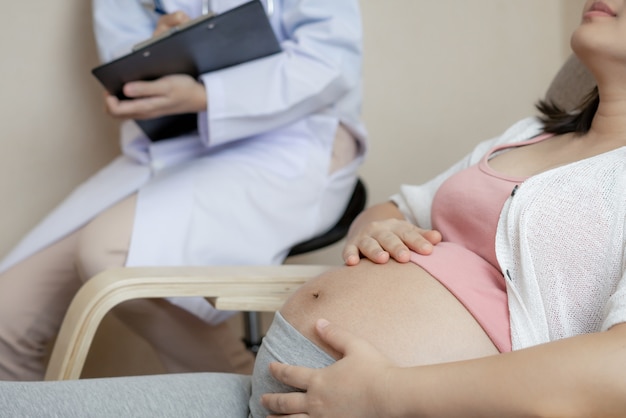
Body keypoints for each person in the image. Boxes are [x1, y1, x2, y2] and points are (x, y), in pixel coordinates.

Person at [0, 0, 624, 416]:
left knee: (103, 258)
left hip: (394, 402)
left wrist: (388, 394)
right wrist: (381, 227)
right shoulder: (529, 135)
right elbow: (400, 205)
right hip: (285, 391)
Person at [0, 0, 366, 380]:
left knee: (112, 254)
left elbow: (331, 60)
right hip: (174, 146)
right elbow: (124, 68)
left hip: (292, 141)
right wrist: (151, 58)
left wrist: (209, 95)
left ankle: (241, 394)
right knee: (6, 315)